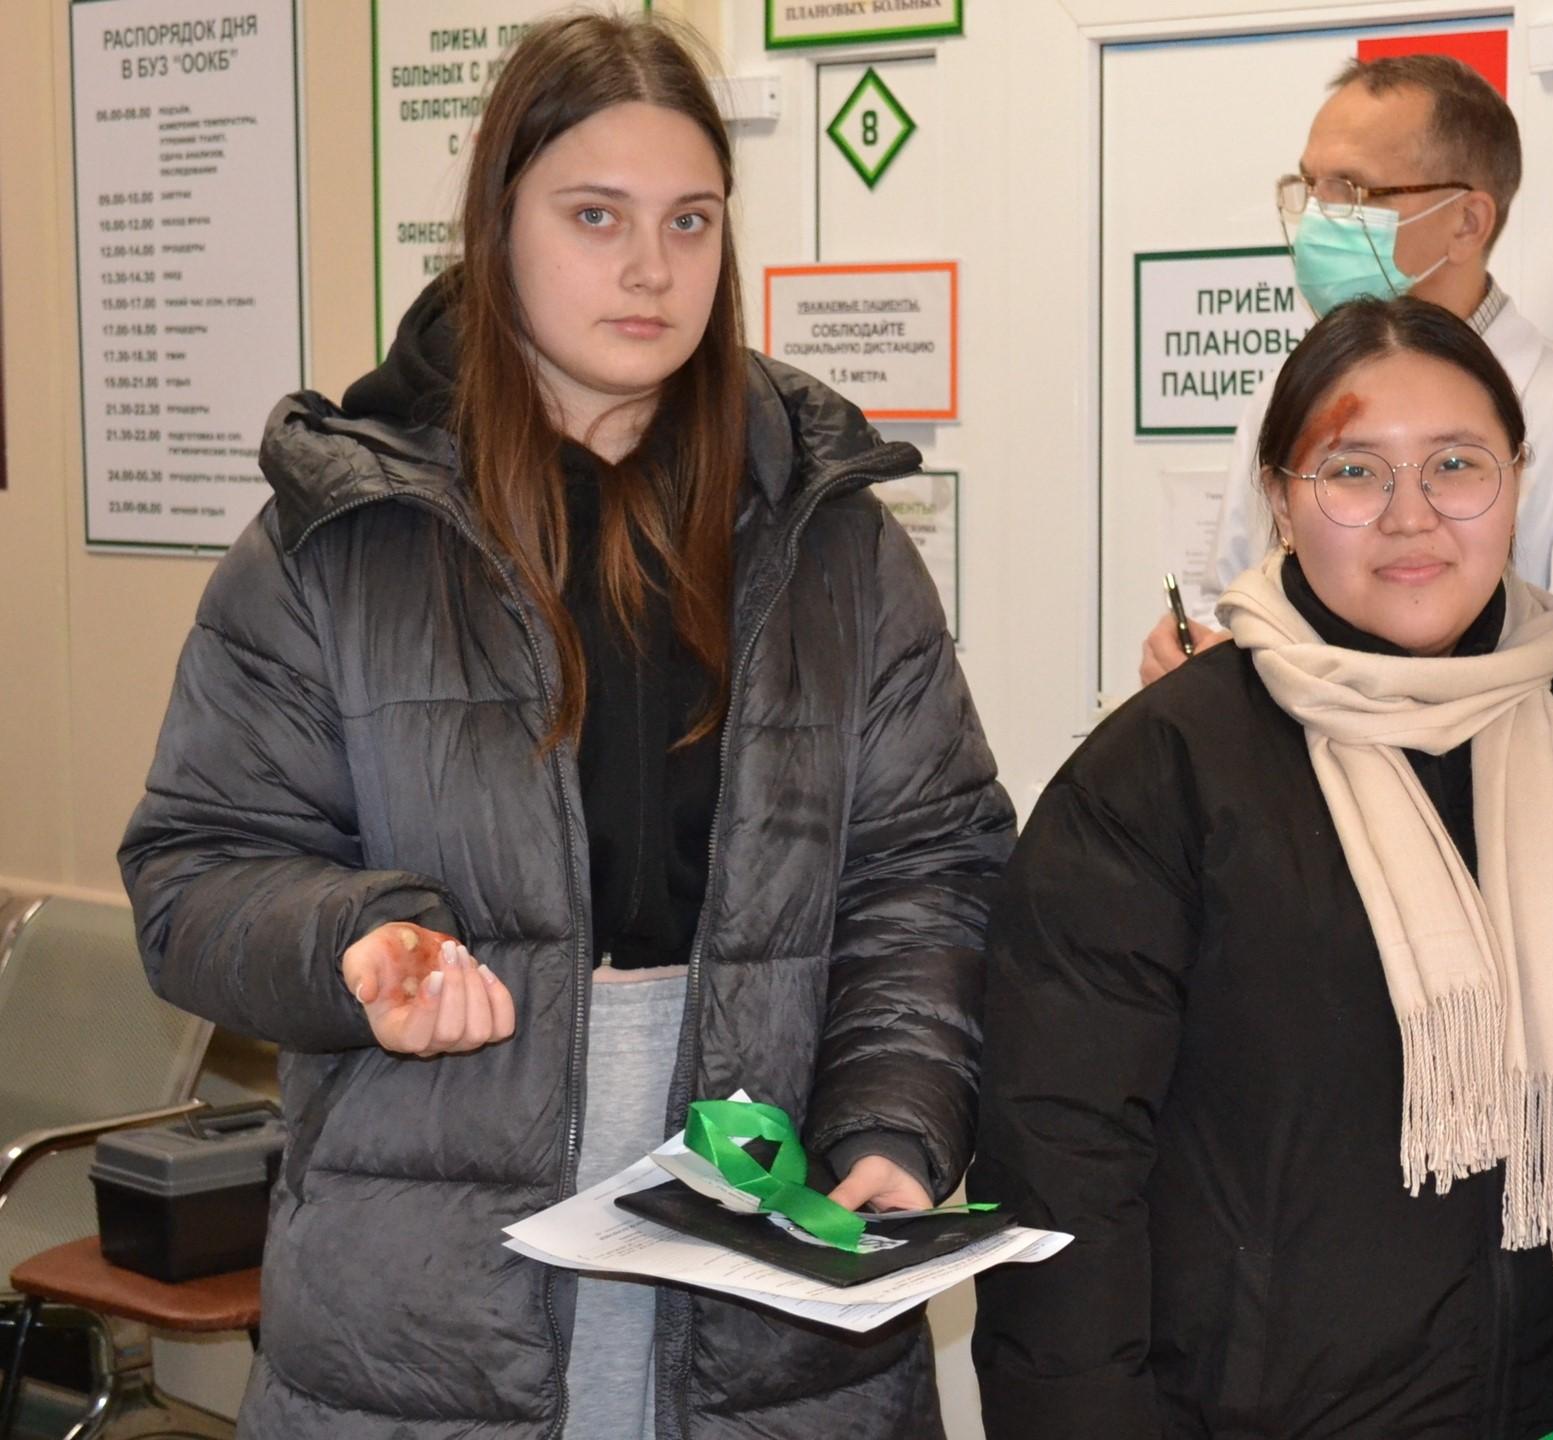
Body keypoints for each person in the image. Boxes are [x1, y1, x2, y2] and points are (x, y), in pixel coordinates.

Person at [118, 14, 1012, 1438]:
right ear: (498, 225)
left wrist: (897, 1118)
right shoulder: (337, 539)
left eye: (690, 221)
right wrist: (355, 942)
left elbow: (930, 871)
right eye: (596, 216)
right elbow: (193, 876)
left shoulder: (831, 539)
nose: (651, 268)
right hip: (429, 1318)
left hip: (773, 1316)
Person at [974, 296, 1553, 1437]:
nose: (1412, 518)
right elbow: (1059, 1165)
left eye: (1457, 466)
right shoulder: (1163, 772)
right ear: (1279, 498)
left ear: (1517, 480)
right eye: (1354, 473)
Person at [1139, 53, 1553, 705]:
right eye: (1311, 186)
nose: (1316, 219)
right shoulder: (1282, 397)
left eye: (1352, 190)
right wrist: (1197, 655)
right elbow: (1234, 598)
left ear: (1467, 222)